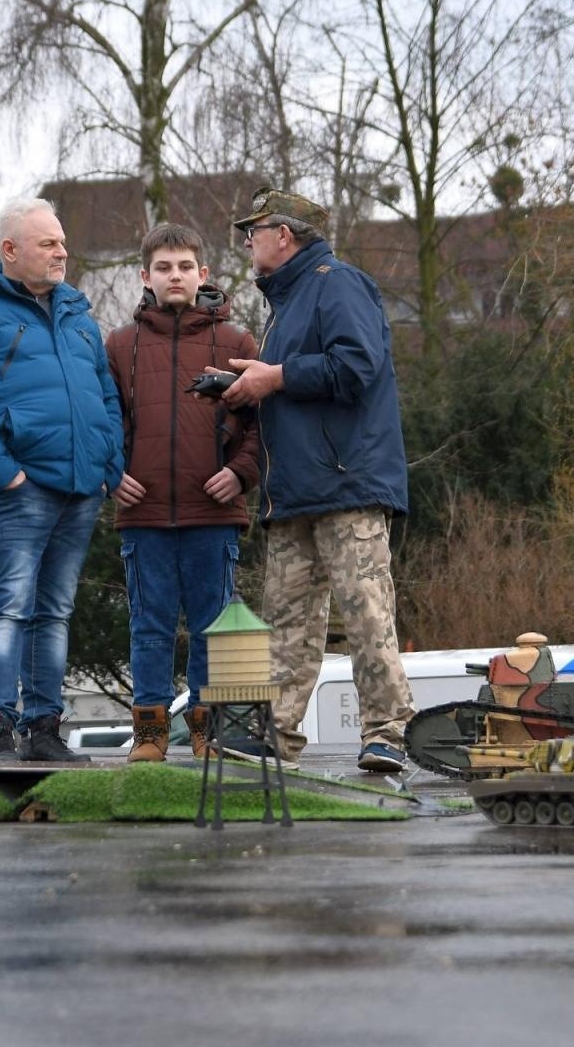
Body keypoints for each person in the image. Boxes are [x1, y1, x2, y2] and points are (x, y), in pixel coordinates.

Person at [217, 186, 415, 773]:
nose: (248, 243)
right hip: (296, 492)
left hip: (346, 485)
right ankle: (272, 736)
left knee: (366, 614)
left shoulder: (337, 282)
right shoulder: (289, 300)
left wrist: (273, 377)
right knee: (285, 624)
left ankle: (387, 733)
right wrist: (250, 385)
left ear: (283, 235)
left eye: (254, 232)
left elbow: (358, 365)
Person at [0, 199, 124, 763]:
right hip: (18, 489)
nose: (62, 252)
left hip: (81, 489)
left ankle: (43, 731)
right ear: (9, 250)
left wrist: (108, 467)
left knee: (54, 612)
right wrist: (1, 472)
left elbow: (106, 399)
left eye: (62, 242)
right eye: (47, 244)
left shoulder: (79, 317)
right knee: (10, 606)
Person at [105, 223, 260, 762]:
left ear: (203, 274)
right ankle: (149, 734)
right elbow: (106, 420)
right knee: (148, 628)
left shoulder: (238, 343)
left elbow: (265, 426)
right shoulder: (120, 346)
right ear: (145, 276)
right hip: (142, 514)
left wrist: (241, 473)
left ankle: (206, 734)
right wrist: (110, 471)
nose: (176, 276)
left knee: (213, 630)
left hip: (213, 515)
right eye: (164, 268)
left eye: (185, 267)